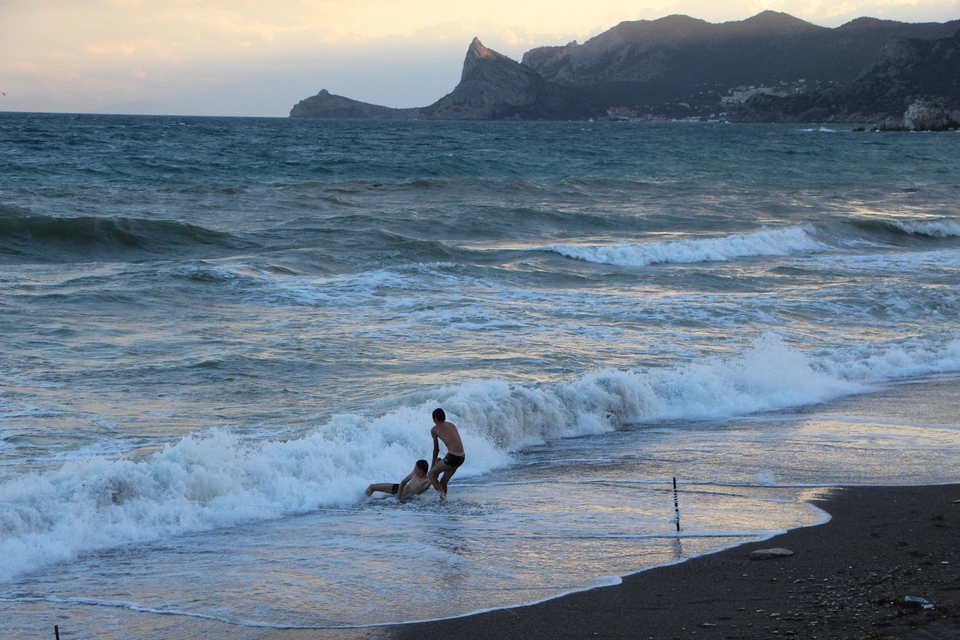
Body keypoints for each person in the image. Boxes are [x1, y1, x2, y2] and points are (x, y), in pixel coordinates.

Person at [428, 408, 465, 501]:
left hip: (452, 457)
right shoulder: (451, 425)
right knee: (443, 481)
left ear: (435, 419)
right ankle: (444, 501)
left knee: (431, 474)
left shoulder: (434, 430)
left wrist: (432, 465)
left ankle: (443, 498)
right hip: (461, 457)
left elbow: (436, 449)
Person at [365, 459, 432, 501]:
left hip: (406, 497)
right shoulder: (414, 473)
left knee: (376, 501)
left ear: (420, 470)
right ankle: (363, 500)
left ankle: (367, 504)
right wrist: (399, 496)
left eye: (415, 467)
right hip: (399, 489)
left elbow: (434, 476)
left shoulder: (426, 481)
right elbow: (403, 482)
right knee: (372, 486)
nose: (414, 469)